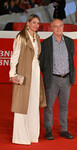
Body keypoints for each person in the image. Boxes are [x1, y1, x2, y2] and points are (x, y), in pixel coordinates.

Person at [9, 14, 46, 145]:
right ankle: (21, 137)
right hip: (24, 74)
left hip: (36, 74)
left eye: (38, 23)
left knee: (33, 104)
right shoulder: (21, 37)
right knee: (22, 104)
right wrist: (12, 74)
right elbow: (14, 56)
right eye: (34, 22)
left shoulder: (37, 37)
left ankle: (32, 135)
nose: (36, 25)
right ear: (28, 23)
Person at [39, 19, 75, 140]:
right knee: (49, 106)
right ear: (51, 28)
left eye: (60, 26)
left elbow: (71, 60)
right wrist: (48, 75)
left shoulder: (70, 42)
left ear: (63, 27)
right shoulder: (46, 43)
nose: (58, 28)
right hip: (52, 79)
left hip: (66, 79)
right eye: (56, 26)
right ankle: (48, 129)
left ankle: (64, 130)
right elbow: (42, 63)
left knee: (64, 106)